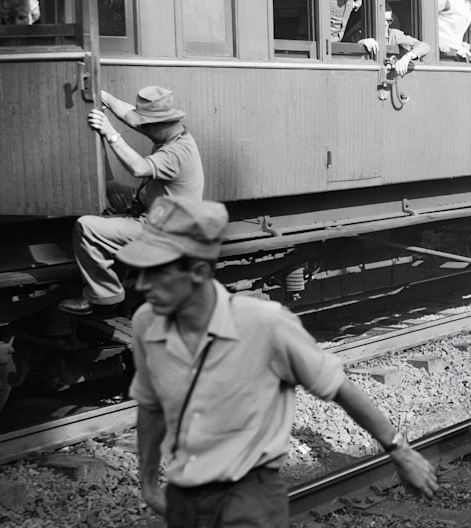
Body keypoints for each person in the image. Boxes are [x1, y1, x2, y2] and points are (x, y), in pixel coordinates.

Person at [126, 197, 438, 526]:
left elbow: (338, 388)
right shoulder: (147, 324)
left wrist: (399, 449)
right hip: (184, 498)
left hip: (249, 501)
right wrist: (148, 483)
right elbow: (150, 405)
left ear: (199, 272)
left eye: (156, 274)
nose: (143, 285)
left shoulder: (265, 324)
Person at [59, 87, 204, 316]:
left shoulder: (177, 152)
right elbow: (130, 115)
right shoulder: (175, 134)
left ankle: (104, 295)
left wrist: (110, 132)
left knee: (86, 227)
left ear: (160, 123)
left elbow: (138, 168)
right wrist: (104, 96)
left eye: (145, 125)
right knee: (112, 203)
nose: (140, 128)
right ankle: (115, 278)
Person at [359, 4, 431, 76]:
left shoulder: (394, 34)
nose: (385, 24)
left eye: (388, 21)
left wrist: (407, 57)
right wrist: (362, 43)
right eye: (381, 20)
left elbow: (424, 46)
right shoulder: (359, 34)